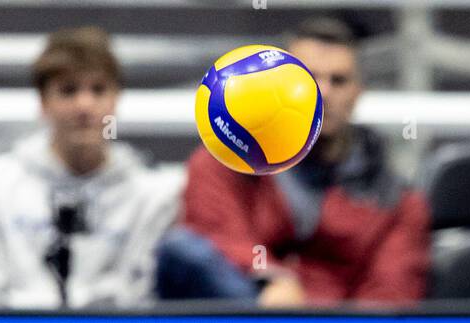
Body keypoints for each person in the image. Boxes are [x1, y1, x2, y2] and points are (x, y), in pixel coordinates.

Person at [158, 17, 429, 306]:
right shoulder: (223, 161)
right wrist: (273, 278)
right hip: (247, 313)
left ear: (358, 92)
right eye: (310, 79)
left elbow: (391, 294)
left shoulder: (397, 199)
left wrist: (316, 321)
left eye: (338, 80)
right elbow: (215, 238)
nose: (323, 93)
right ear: (280, 85)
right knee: (182, 250)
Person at [0, 27, 182, 308]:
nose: (84, 106)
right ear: (43, 101)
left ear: (116, 99)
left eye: (98, 90)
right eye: (68, 90)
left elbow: (141, 295)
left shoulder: (154, 196)